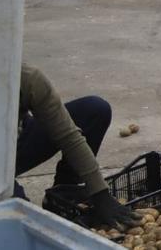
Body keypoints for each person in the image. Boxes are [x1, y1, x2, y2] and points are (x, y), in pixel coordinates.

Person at [16, 64, 139, 229]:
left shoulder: (26, 78)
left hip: (15, 144)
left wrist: (100, 193)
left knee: (94, 110)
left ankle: (62, 195)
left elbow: (68, 135)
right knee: (20, 223)